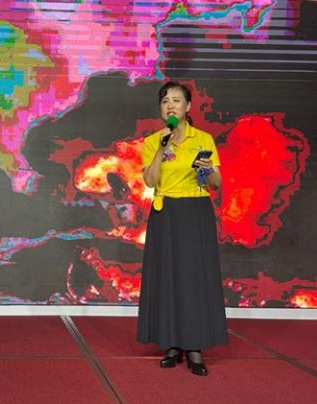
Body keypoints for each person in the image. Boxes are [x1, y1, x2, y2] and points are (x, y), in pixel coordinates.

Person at [137, 81, 228, 376]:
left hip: (195, 211)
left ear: (188, 107)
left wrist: (206, 170)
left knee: (194, 278)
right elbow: (150, 181)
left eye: (176, 100)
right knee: (167, 277)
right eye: (165, 101)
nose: (170, 106)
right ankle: (171, 343)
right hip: (165, 213)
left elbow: (217, 183)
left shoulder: (202, 139)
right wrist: (161, 151)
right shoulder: (153, 141)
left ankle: (195, 346)